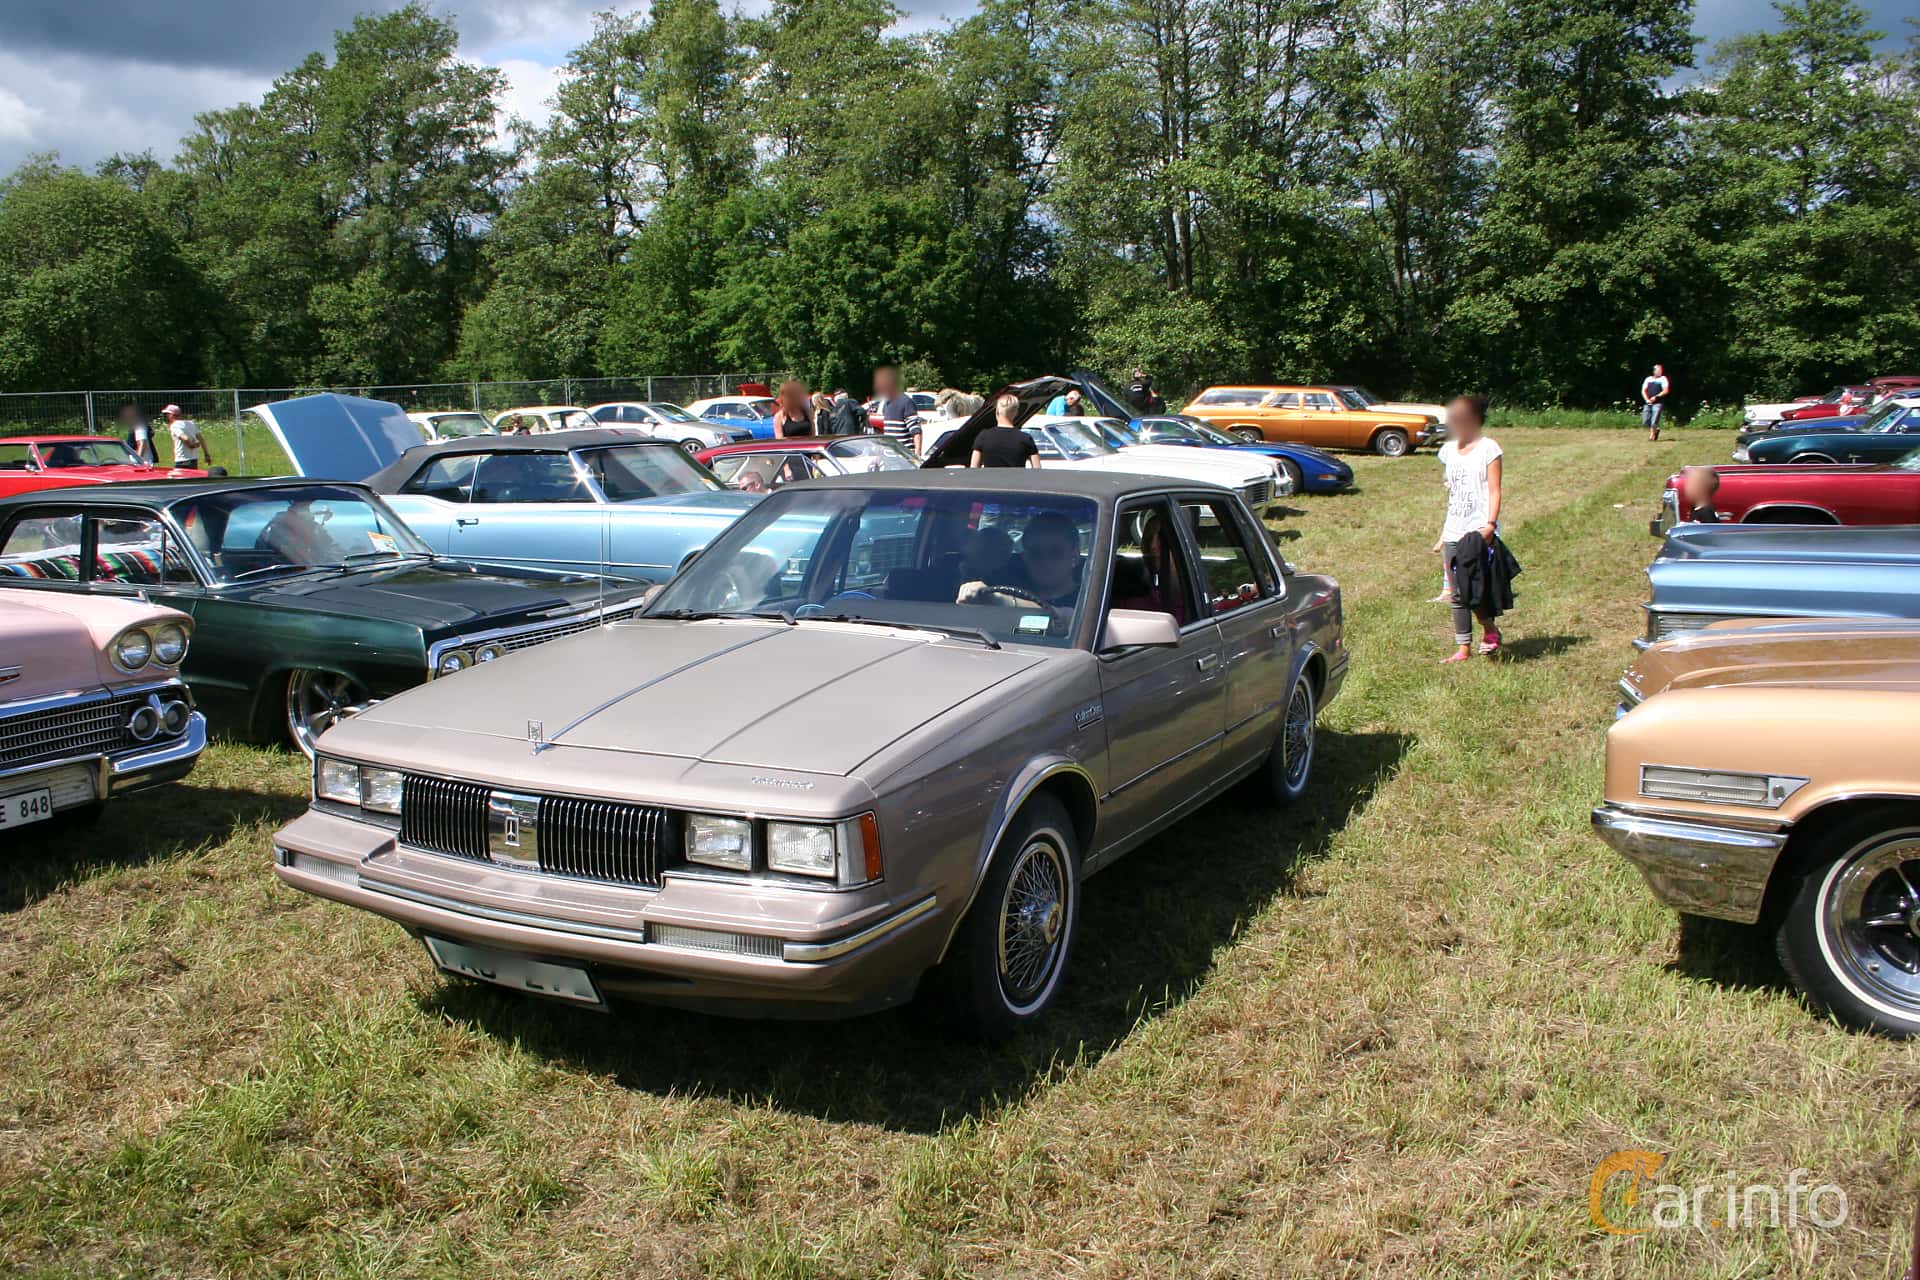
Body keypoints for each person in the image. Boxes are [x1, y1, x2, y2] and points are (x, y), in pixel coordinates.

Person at [1435, 394, 1506, 663]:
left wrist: (1490, 525)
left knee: (1472, 590)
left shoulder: (1489, 448)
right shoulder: (1448, 451)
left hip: (1476, 529)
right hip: (1453, 528)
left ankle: (1489, 630)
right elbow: (1451, 487)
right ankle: (1463, 648)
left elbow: (1494, 489)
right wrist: (1443, 533)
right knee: (1456, 594)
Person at [970, 393, 1041, 469]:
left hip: (990, 480)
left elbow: (974, 469)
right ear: (1016, 413)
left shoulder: (983, 436)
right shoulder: (1026, 438)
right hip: (1017, 480)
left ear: (997, 411)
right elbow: (1037, 469)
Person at [873, 366, 921, 452]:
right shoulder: (886, 403)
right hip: (891, 454)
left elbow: (916, 431)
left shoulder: (906, 402)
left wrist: (917, 454)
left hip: (905, 454)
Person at [161, 404, 211, 470]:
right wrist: (206, 454)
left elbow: (184, 438)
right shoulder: (190, 423)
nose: (166, 416)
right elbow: (201, 439)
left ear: (171, 415)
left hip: (182, 460)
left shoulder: (174, 425)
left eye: (167, 414)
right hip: (193, 460)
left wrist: (191, 445)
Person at [1642, 364, 1670, 441]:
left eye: (1661, 370)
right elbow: (1643, 390)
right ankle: (1656, 430)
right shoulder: (1648, 379)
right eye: (1658, 370)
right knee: (1645, 421)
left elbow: (1666, 390)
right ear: (1654, 371)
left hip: (1658, 403)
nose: (1660, 372)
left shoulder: (1663, 379)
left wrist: (1656, 397)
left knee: (1654, 420)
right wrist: (1647, 399)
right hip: (1648, 403)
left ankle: (1652, 436)